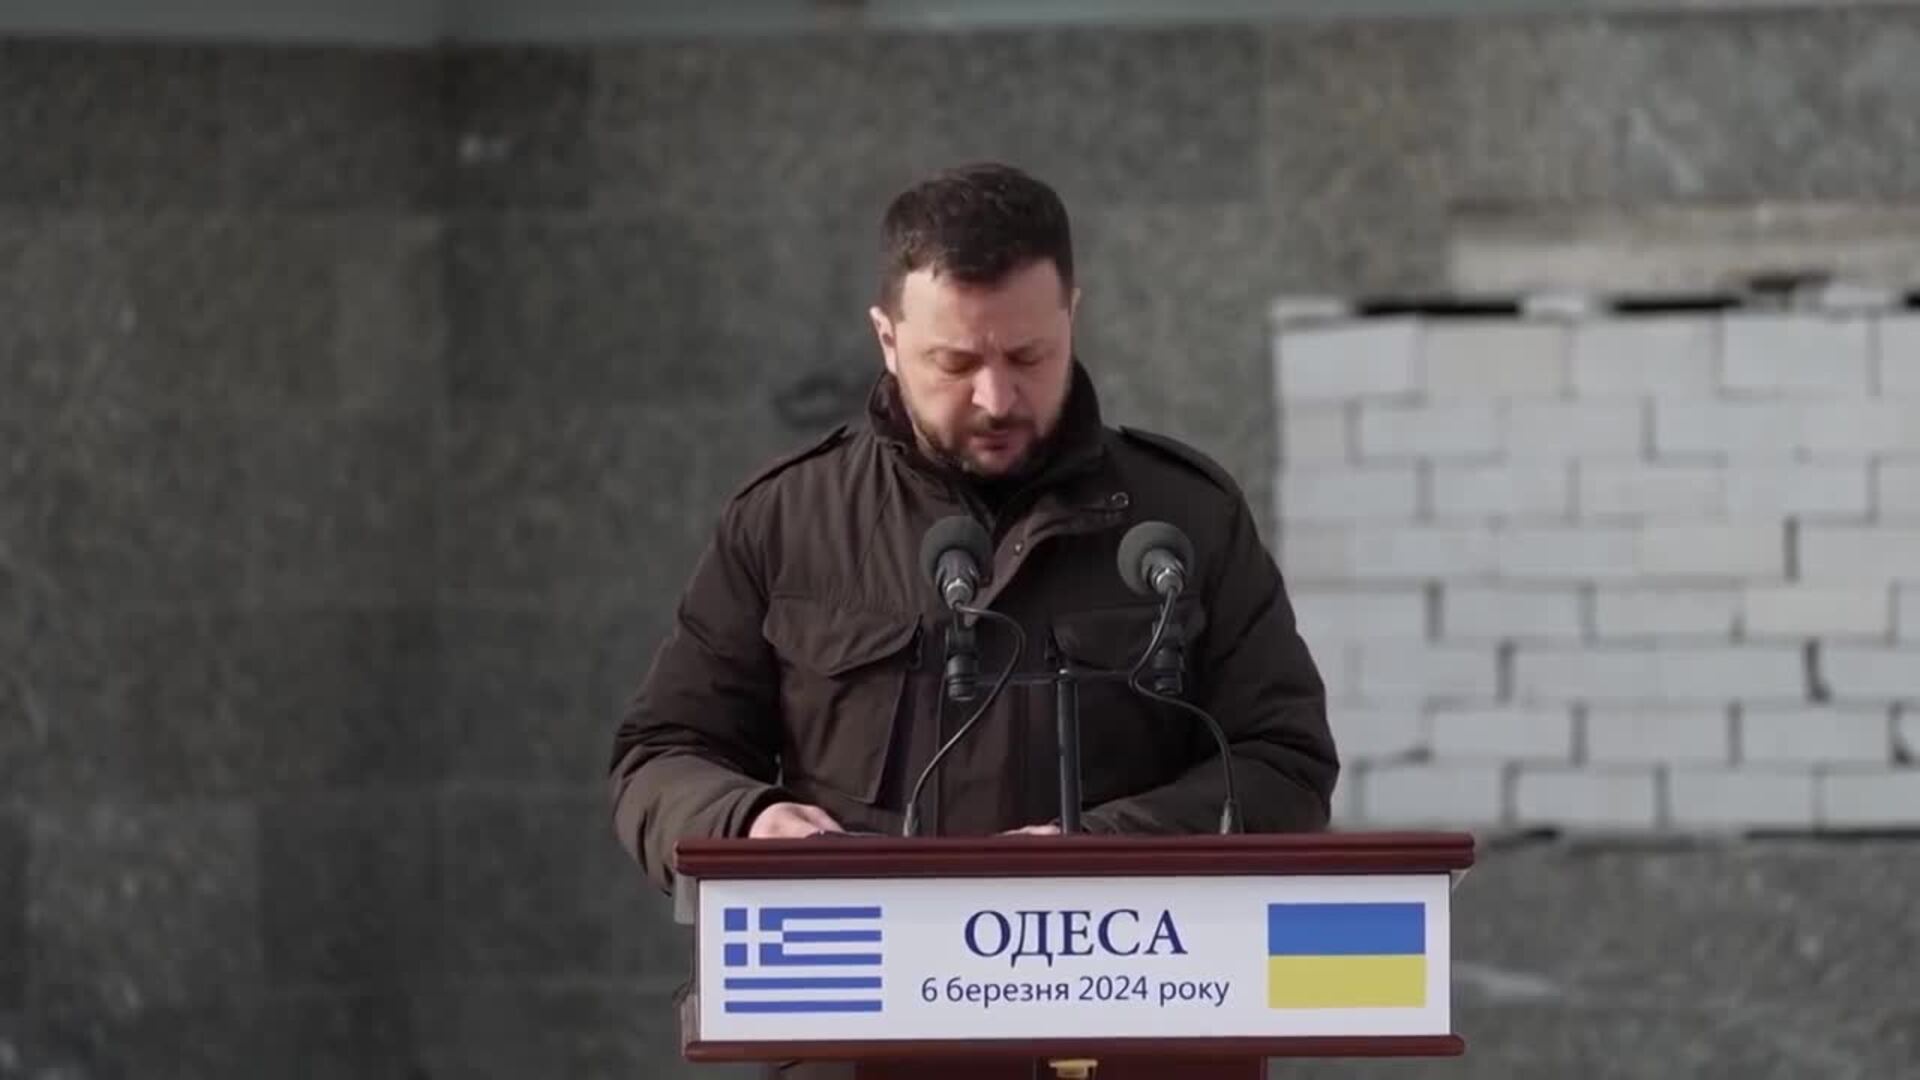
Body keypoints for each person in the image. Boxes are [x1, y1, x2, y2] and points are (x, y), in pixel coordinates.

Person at [608, 160, 1337, 886]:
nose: (996, 398)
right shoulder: (788, 521)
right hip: (856, 950)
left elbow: (1285, 762)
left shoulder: (1185, 517)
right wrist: (746, 820)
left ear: (1071, 317)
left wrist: (1106, 847)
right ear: (887, 340)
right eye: (954, 364)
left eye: (1028, 356)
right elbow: (662, 755)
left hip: (1114, 951)